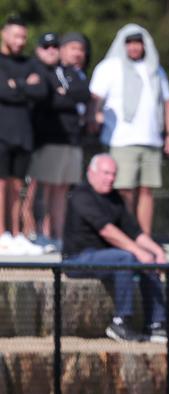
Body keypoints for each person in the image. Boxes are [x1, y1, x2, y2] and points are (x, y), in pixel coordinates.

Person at [62, 153, 169, 344]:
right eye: (106, 173)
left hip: (109, 257)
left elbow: (135, 232)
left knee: (145, 259)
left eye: (113, 174)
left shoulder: (115, 198)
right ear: (91, 173)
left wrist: (156, 252)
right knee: (128, 257)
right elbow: (107, 231)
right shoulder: (80, 194)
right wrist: (138, 251)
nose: (110, 178)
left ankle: (156, 324)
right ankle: (120, 322)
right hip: (78, 259)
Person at [89, 24, 169, 235]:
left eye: (138, 43)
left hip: (151, 140)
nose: (134, 47)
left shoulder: (155, 68)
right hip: (120, 140)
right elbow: (95, 98)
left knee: (147, 190)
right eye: (130, 42)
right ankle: (126, 235)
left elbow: (167, 102)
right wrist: (93, 118)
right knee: (123, 189)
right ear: (123, 44)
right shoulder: (109, 67)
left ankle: (144, 237)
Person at [27, 31, 90, 249]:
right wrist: (64, 96)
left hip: (70, 139)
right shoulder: (41, 71)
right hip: (48, 139)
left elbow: (83, 94)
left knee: (62, 191)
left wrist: (65, 94)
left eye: (55, 46)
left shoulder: (71, 73)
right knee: (42, 189)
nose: (52, 51)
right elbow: (52, 100)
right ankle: (37, 232)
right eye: (48, 47)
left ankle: (58, 235)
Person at [0, 15, 47, 256]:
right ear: (4, 34)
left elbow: (41, 90)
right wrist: (25, 85)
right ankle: (1, 234)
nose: (20, 41)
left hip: (22, 134)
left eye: (23, 37)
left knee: (18, 186)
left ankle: (16, 233)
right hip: (2, 133)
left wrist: (14, 85)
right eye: (16, 35)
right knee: (1, 185)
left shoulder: (30, 63)